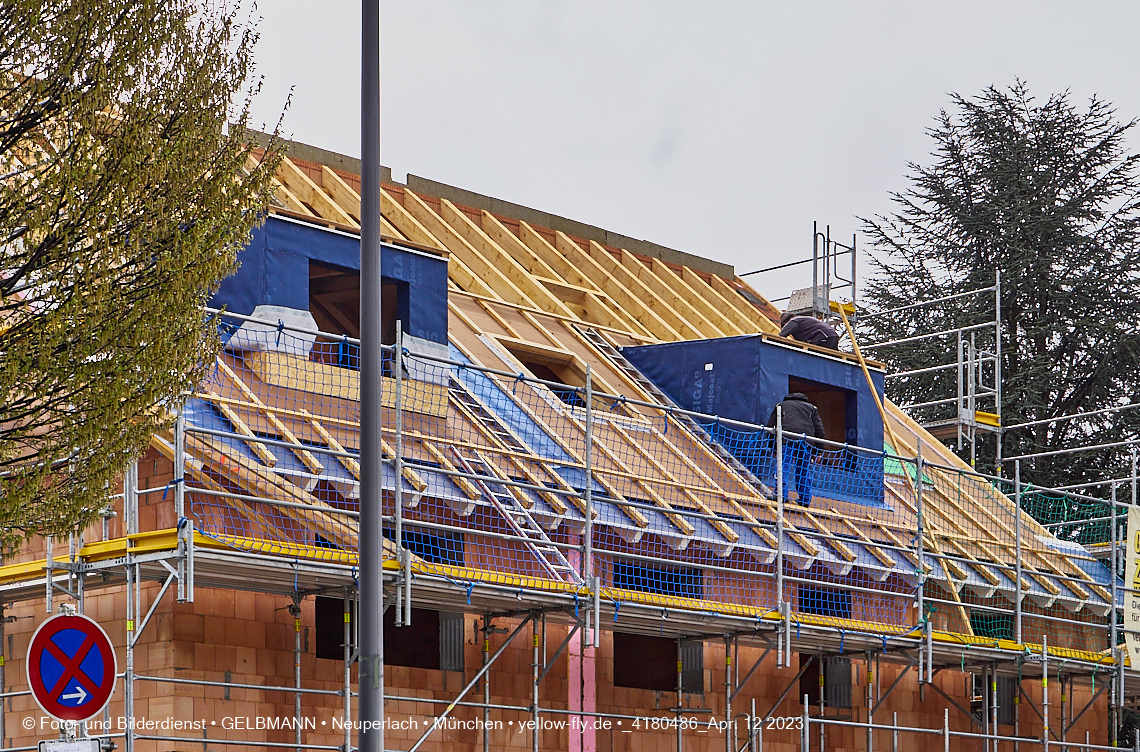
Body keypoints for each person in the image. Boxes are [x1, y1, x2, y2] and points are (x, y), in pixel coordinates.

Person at [766, 392, 827, 506]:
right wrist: (819, 451)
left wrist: (773, 448)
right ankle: (805, 499)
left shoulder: (781, 405)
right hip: (806, 441)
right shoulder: (812, 408)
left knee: (782, 467)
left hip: (786, 438)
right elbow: (819, 430)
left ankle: (781, 495)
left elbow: (770, 428)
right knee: (803, 469)